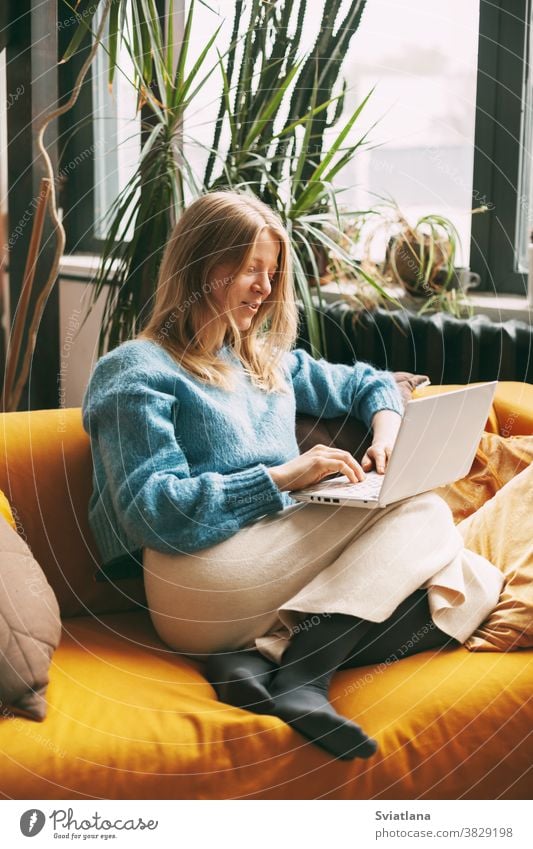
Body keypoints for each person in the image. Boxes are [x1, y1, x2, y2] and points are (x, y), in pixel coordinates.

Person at [82, 190, 503, 761]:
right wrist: (282, 477)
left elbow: (368, 384)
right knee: (424, 511)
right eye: (250, 268)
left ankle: (258, 659)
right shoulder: (135, 369)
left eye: (271, 272)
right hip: (195, 578)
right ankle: (305, 675)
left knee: (475, 586)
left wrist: (387, 437)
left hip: (265, 576)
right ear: (201, 267)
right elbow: (153, 511)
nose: (265, 286)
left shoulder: (263, 360)